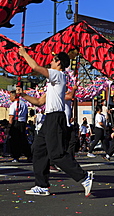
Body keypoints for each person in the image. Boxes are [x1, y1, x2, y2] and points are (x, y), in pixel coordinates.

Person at [18, 46, 93, 197]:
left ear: (58, 63)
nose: (50, 62)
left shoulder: (58, 75)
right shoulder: (53, 83)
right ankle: (42, 185)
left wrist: (24, 54)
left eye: (52, 60)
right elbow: (39, 102)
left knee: (56, 155)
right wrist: (24, 95)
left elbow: (35, 67)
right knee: (38, 149)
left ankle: (84, 177)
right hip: (49, 118)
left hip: (56, 118)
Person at [7, 90, 32, 162]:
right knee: (23, 139)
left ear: (14, 96)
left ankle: (16, 156)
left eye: (11, 96)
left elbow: (11, 116)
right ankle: (28, 155)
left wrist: (9, 126)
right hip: (23, 123)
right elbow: (26, 115)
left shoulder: (14, 105)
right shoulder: (24, 104)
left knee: (14, 140)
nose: (10, 98)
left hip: (16, 123)